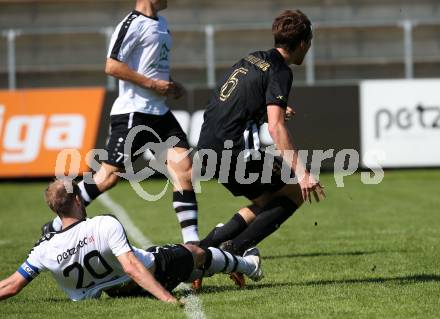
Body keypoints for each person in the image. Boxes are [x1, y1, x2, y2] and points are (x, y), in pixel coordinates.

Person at [42, 0, 200, 244]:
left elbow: (150, 64)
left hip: (159, 112)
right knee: (108, 177)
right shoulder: (131, 24)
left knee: (185, 170)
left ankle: (193, 246)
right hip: (133, 113)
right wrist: (152, 84)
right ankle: (53, 226)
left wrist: (169, 83)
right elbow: (112, 65)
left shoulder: (162, 23)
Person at [195, 10, 325, 287]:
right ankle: (231, 252)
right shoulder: (281, 71)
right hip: (232, 153)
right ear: (302, 43)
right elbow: (276, 129)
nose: (310, 47)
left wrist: (269, 111)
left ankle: (199, 252)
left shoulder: (253, 58)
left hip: (207, 146)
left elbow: (234, 101)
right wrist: (303, 173)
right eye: (310, 41)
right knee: (294, 192)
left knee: (266, 202)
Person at [0, 180, 263, 303]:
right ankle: (249, 265)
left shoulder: (44, 248)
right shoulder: (102, 223)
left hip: (115, 290)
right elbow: (131, 267)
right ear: (78, 200)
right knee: (194, 252)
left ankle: (227, 254)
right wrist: (165, 298)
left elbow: (11, 286)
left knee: (181, 262)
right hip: (151, 272)